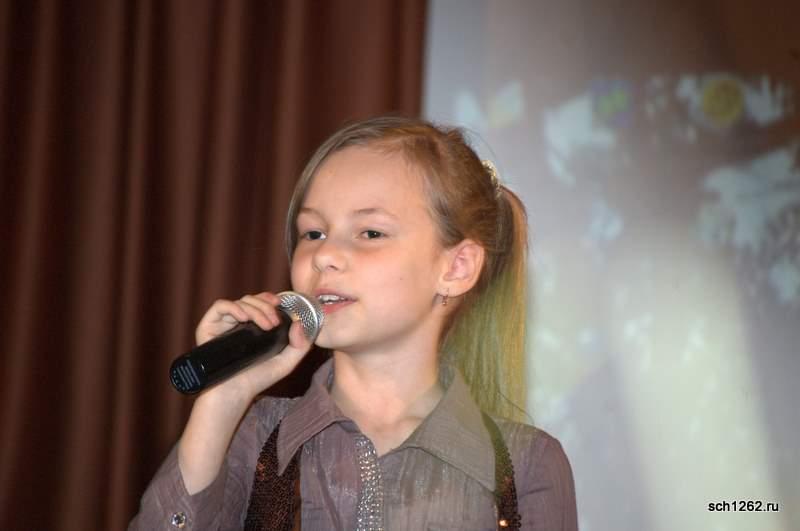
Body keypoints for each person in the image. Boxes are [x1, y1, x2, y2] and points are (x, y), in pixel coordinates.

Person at [129, 116, 578, 530]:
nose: (324, 255)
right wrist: (223, 398)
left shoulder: (524, 464)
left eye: (370, 233)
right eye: (313, 233)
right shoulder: (256, 436)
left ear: (456, 267)